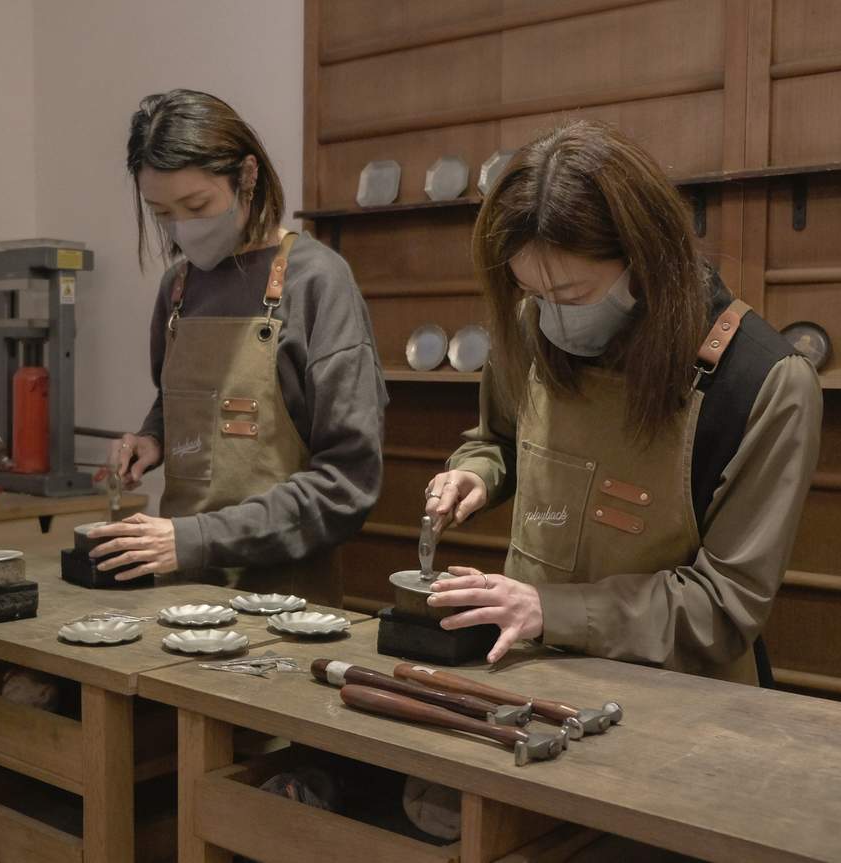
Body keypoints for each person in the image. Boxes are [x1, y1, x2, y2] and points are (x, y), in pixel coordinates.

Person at [422, 121, 822, 682]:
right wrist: (476, 473)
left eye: (572, 296)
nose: (550, 317)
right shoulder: (531, 325)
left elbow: (724, 608)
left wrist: (550, 611)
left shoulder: (763, 384)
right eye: (533, 294)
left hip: (681, 699)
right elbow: (500, 440)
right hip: (534, 668)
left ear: (645, 257)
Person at [88, 89, 388, 605]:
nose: (183, 228)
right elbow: (180, 397)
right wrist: (154, 437)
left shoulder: (316, 282)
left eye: (198, 205)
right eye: (162, 213)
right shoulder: (178, 287)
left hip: (282, 604)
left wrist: (193, 539)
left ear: (247, 174)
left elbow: (347, 483)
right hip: (178, 589)